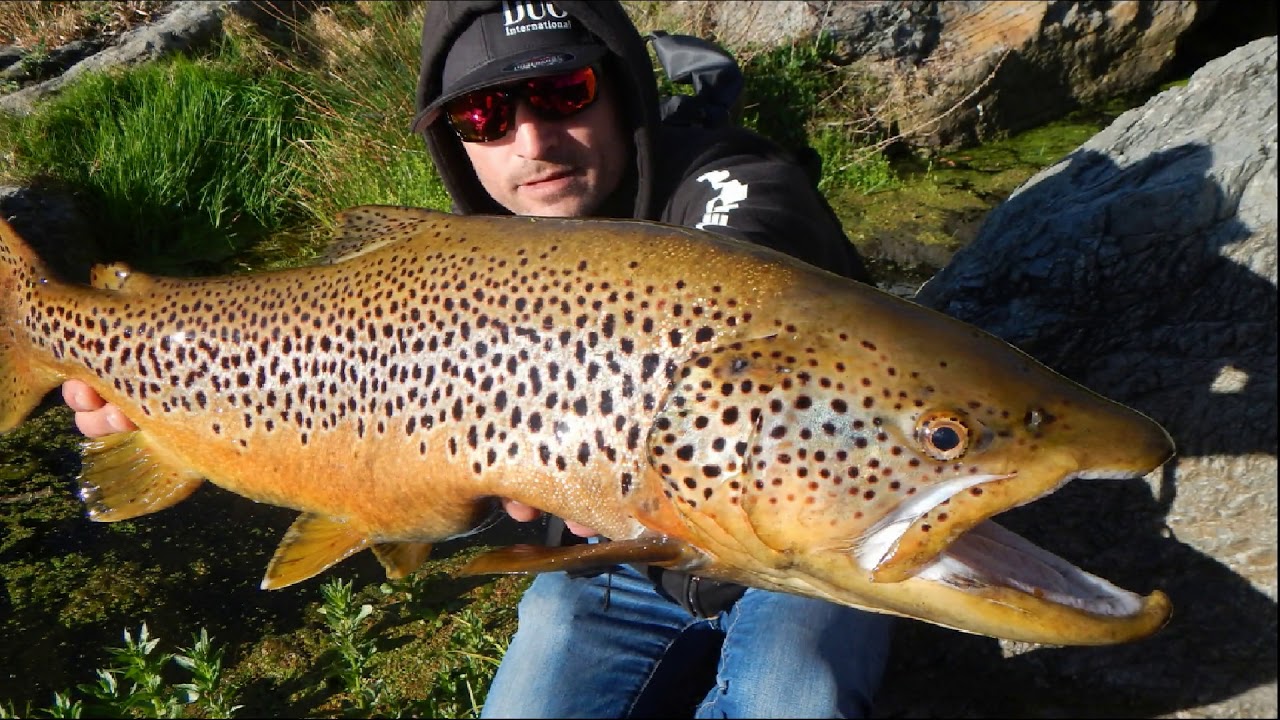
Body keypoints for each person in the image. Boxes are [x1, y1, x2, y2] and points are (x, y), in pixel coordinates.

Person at [61, 1, 893, 716]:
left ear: (623, 87)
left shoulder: (734, 183)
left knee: (795, 692)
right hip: (622, 563)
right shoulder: (456, 279)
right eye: (486, 116)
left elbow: (757, 265)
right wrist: (144, 405)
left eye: (564, 90)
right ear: (456, 140)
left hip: (807, 551)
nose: (531, 138)